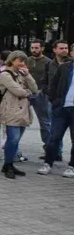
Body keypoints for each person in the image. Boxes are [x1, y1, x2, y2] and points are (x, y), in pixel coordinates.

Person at [0, 51, 37, 179]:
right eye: (20, 60)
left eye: (24, 61)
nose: (22, 63)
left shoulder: (21, 74)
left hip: (23, 112)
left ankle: (9, 164)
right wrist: (28, 92)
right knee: (12, 139)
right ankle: (8, 164)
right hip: (11, 110)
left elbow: (35, 88)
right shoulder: (5, 74)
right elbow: (18, 91)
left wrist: (28, 75)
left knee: (16, 140)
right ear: (12, 60)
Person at [40, 45, 74, 177]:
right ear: (72, 53)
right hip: (61, 108)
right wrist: (55, 102)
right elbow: (52, 85)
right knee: (54, 137)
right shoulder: (63, 67)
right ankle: (48, 163)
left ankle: (71, 166)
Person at [28, 38, 52, 155]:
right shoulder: (26, 60)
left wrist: (44, 91)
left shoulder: (48, 62)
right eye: (32, 47)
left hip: (41, 94)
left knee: (45, 122)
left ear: (42, 48)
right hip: (26, 93)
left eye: (36, 48)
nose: (34, 50)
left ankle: (50, 149)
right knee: (17, 120)